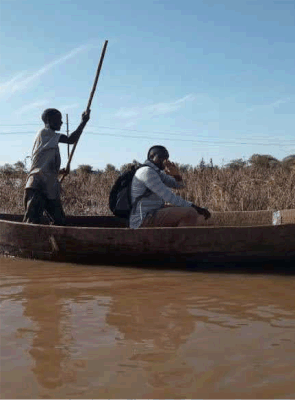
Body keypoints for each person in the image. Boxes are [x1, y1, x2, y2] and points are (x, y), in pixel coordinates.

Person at [23, 108, 90, 225]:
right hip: (37, 185)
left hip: (49, 185)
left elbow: (43, 163)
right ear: (49, 120)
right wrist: (83, 122)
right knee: (32, 222)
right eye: (58, 119)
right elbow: (71, 140)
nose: (61, 123)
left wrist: (58, 171)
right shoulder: (45, 132)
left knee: (60, 222)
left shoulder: (50, 139)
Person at [129, 145, 211, 228]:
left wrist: (176, 175)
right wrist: (196, 208)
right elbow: (169, 197)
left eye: (166, 158)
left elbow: (180, 186)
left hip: (153, 212)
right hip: (143, 218)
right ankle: (180, 240)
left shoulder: (157, 172)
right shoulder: (147, 172)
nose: (164, 161)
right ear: (152, 157)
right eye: (161, 157)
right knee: (190, 212)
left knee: (187, 209)